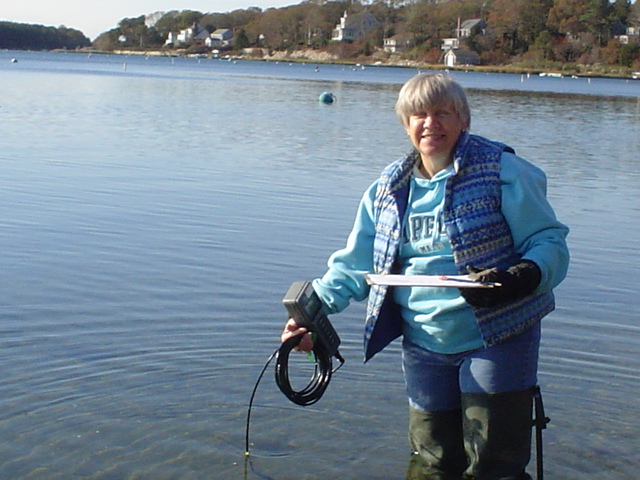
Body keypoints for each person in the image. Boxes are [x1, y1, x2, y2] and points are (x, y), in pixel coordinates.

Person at [281, 73, 569, 480]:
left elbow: (549, 242)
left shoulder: (505, 171)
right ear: (405, 124)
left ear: (463, 120)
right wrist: (309, 315)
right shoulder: (386, 189)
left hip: (497, 336)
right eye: (419, 114)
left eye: (442, 113)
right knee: (432, 460)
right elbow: (354, 267)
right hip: (423, 344)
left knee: (494, 462)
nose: (430, 123)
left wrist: (521, 275)